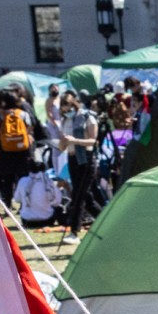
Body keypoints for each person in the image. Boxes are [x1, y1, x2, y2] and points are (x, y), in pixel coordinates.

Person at [0, 87, 45, 202]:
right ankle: (24, 200)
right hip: (22, 150)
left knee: (7, 178)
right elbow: (29, 128)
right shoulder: (23, 114)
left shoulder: (0, 116)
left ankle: (8, 202)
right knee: (23, 176)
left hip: (5, 150)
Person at [57, 89, 102, 233]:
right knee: (86, 197)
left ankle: (74, 231)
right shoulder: (65, 120)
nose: (66, 109)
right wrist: (63, 142)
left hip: (86, 160)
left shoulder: (87, 117)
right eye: (63, 107)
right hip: (72, 158)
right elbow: (62, 147)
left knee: (78, 196)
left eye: (68, 106)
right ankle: (104, 221)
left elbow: (93, 141)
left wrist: (74, 140)